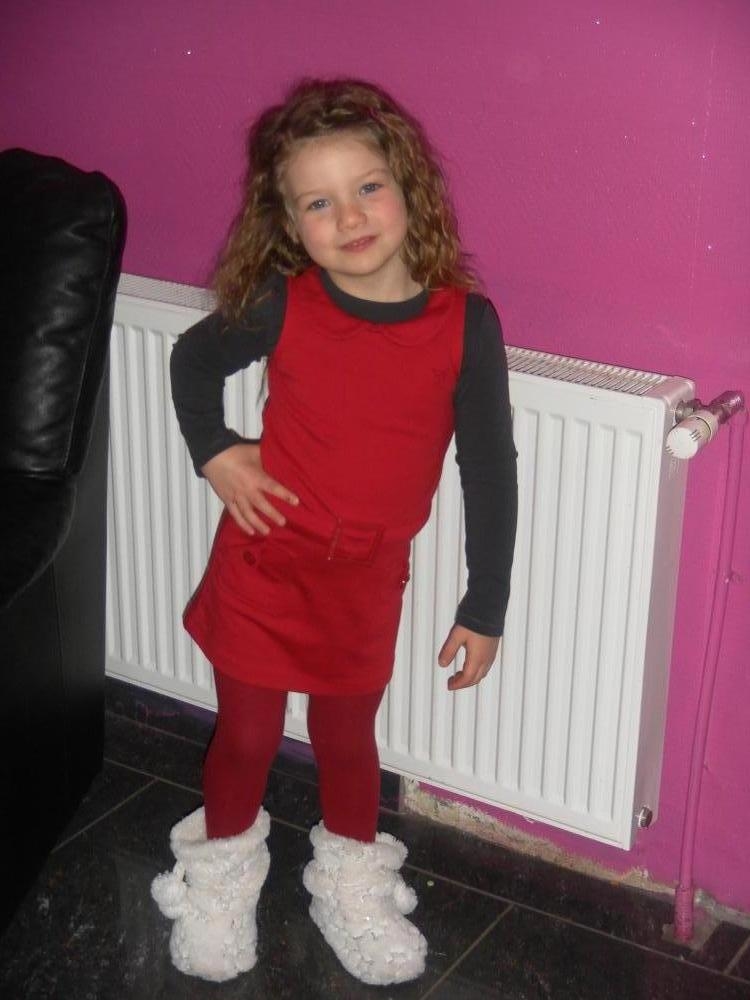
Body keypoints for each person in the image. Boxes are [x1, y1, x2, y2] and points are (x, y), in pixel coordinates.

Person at [150, 77, 517, 987]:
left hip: (365, 580)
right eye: (318, 202)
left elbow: (489, 467)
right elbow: (193, 361)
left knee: (349, 741)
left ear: (408, 188)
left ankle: (350, 886)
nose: (349, 216)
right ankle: (219, 880)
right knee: (246, 735)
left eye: (367, 187)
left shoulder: (465, 323)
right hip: (266, 563)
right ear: (289, 224)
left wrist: (486, 605)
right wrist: (217, 453)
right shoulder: (286, 303)